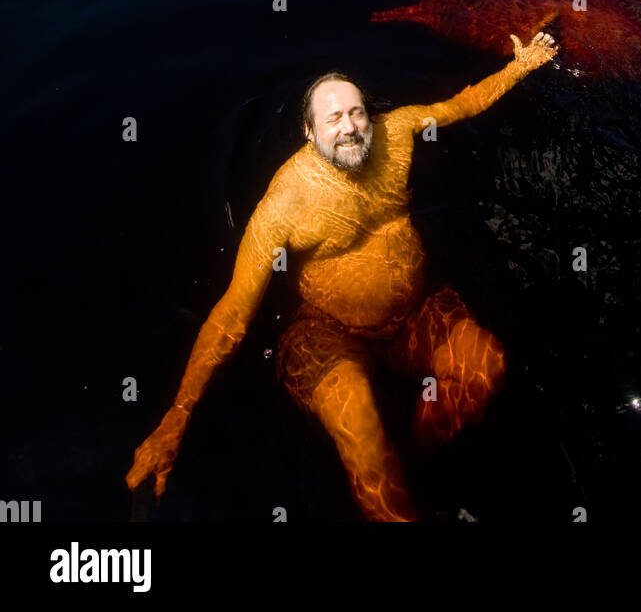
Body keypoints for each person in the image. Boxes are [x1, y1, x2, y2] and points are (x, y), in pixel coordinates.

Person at [125, 30, 558, 521]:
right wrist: (177, 418)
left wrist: (519, 67)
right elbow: (232, 315)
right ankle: (388, 472)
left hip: (416, 314)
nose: (349, 127)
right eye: (333, 118)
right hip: (327, 333)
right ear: (309, 132)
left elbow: (461, 105)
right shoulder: (283, 206)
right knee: (365, 436)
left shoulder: (398, 132)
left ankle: (415, 452)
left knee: (489, 365)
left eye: (356, 113)